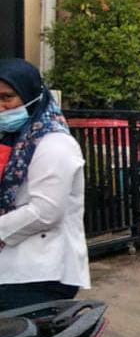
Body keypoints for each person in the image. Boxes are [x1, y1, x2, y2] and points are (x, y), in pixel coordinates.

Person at [0, 59, 90, 311]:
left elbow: (45, 211)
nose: (1, 107)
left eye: (8, 97)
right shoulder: (15, 140)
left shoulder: (53, 143)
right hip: (14, 269)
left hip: (41, 273)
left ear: (31, 96)